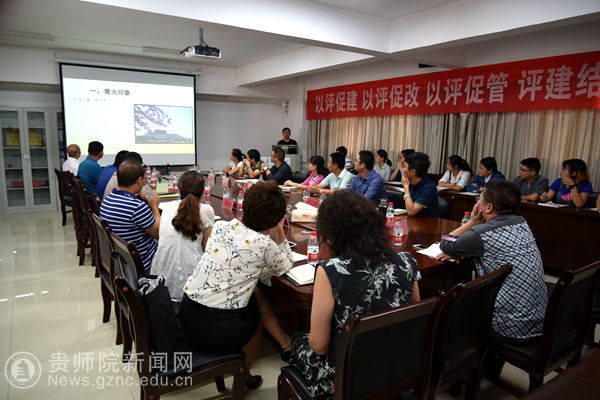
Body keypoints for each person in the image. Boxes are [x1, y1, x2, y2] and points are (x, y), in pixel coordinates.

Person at [289, 190, 421, 398]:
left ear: (331, 234)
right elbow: (414, 315)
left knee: (298, 340)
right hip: (395, 366)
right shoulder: (407, 261)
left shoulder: (330, 270)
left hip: (346, 377)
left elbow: (319, 346)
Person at [180, 182, 294, 388]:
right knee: (255, 319)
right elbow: (286, 265)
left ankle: (286, 343)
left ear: (245, 206)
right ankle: (244, 376)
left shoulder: (221, 226)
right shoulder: (264, 244)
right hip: (217, 328)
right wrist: (279, 231)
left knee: (256, 293)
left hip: (187, 315)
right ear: (275, 219)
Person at [438, 180, 547, 343]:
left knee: (450, 309)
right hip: (540, 320)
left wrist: (471, 223)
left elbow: (445, 244)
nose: (477, 202)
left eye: (479, 198)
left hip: (509, 326)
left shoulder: (482, 233)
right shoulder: (521, 222)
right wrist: (466, 251)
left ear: (488, 207)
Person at [151, 170, 214, 302]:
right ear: (203, 191)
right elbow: (207, 249)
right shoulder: (206, 210)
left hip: (161, 283)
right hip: (191, 287)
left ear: (178, 189)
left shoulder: (166, 207)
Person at [100, 160, 160, 274]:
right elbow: (158, 234)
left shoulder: (108, 199)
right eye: (144, 179)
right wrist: (154, 206)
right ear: (139, 180)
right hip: (144, 264)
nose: (145, 181)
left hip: (122, 261)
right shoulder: (137, 207)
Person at [401, 152, 439, 217]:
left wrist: (406, 187)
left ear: (413, 171)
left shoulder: (429, 187)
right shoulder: (411, 182)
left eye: (404, 166)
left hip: (426, 222)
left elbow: (411, 211)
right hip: (412, 220)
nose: (403, 169)